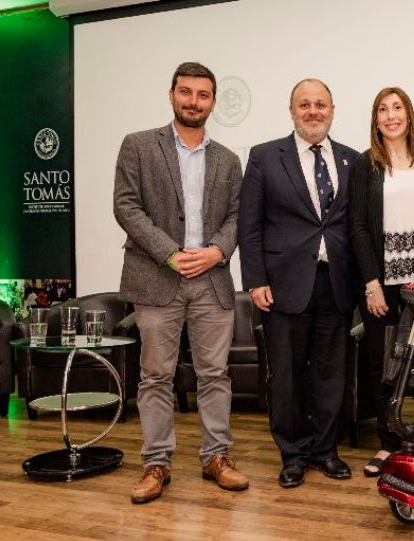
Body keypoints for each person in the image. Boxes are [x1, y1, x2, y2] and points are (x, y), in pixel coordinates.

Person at [113, 61, 248, 504]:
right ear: (171, 95)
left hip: (211, 279)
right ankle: (156, 463)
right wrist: (170, 253)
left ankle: (217, 457)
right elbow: (127, 207)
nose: (194, 101)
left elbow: (236, 217)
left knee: (215, 374)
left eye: (203, 94)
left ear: (213, 101)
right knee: (155, 376)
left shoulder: (228, 159)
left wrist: (216, 251)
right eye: (186, 92)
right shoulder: (137, 146)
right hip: (157, 278)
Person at [238, 78, 359, 488]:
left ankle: (326, 451)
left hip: (337, 284)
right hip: (283, 285)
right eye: (304, 104)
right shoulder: (264, 157)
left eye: (320, 104)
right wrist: (254, 279)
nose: (313, 111)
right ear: (292, 111)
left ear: (332, 110)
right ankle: (292, 454)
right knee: (287, 376)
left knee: (331, 376)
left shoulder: (351, 160)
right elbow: (248, 224)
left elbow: (356, 227)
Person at [348, 87, 414, 477]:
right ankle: (389, 446)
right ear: (375, 119)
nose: (391, 116)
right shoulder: (365, 165)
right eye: (382, 110)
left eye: (397, 108)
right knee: (384, 367)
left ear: (409, 115)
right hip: (384, 285)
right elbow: (358, 227)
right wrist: (371, 283)